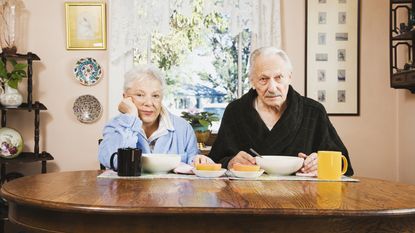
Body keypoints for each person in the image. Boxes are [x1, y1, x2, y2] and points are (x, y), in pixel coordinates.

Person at [208, 47, 354, 176]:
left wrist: (320, 163)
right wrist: (230, 162)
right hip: (247, 199)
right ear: (252, 81)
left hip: (302, 201)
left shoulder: (313, 112)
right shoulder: (236, 111)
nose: (272, 87)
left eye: (279, 78)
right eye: (263, 79)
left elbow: (343, 163)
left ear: (289, 77)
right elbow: (214, 163)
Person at [98, 64, 211, 168]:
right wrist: (131, 119)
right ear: (125, 97)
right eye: (140, 95)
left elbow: (193, 163)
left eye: (155, 95)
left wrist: (198, 160)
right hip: (129, 189)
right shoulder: (114, 126)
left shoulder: (183, 128)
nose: (149, 103)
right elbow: (117, 163)